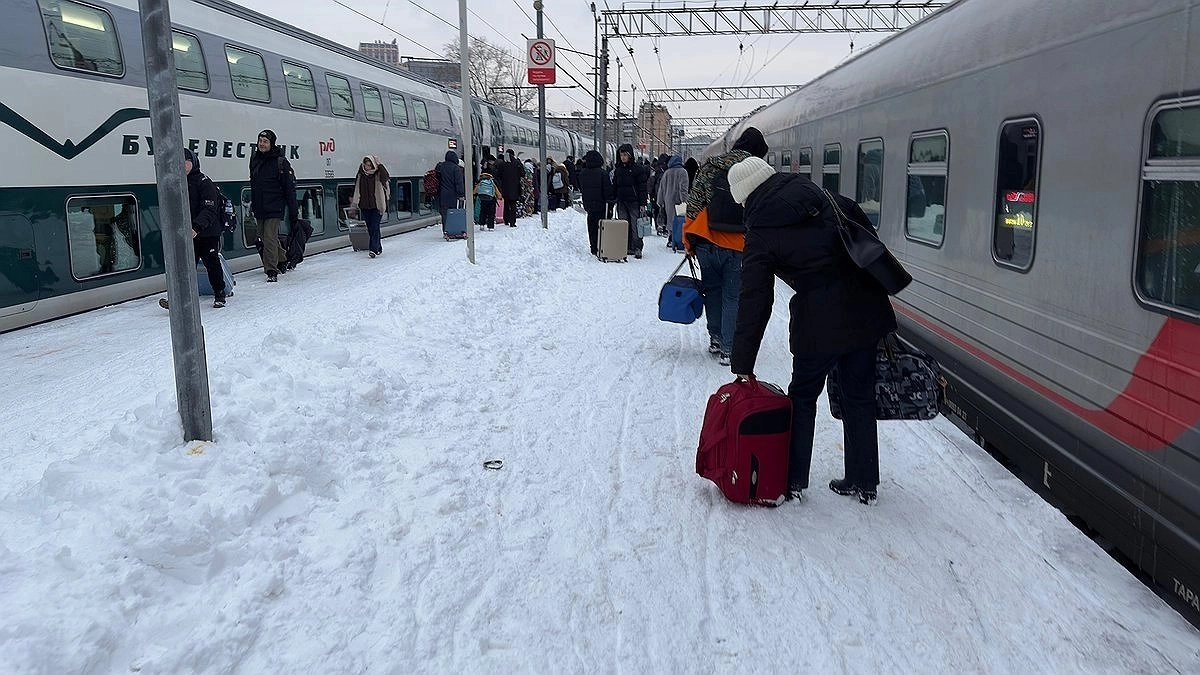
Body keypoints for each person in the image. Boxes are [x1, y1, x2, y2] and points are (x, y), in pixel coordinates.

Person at [725, 155, 897, 505]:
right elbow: (867, 241)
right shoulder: (824, 196)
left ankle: (793, 482)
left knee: (803, 397)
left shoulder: (761, 230)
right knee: (859, 395)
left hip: (819, 320)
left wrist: (743, 361)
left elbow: (755, 299)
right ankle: (864, 483)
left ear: (746, 196)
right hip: (865, 307)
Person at [683, 126, 769, 365]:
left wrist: (689, 240)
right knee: (733, 297)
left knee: (712, 291)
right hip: (739, 246)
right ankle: (729, 349)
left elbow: (694, 205)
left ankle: (716, 339)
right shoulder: (758, 172)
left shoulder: (711, 166)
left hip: (707, 243)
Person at [166, 148, 228, 308]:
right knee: (185, 266)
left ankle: (219, 293)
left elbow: (209, 209)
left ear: (192, 163)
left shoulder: (204, 182)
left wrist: (196, 227)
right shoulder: (177, 183)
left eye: (186, 161)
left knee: (211, 262)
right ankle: (178, 299)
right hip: (188, 233)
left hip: (207, 232)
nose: (183, 165)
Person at [248, 129, 298, 282]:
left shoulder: (280, 162)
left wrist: (293, 211)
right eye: (260, 141)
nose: (262, 144)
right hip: (260, 205)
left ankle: (271, 270)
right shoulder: (254, 158)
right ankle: (282, 258)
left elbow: (289, 188)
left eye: (265, 142)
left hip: (275, 205)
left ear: (272, 143)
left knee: (269, 237)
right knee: (263, 236)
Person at [612, 143, 649, 259]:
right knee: (624, 226)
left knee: (635, 226)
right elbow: (615, 186)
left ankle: (637, 247)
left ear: (630, 156)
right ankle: (626, 246)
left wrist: (642, 203)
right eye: (621, 155)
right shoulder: (618, 170)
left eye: (625, 155)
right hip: (622, 202)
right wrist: (613, 198)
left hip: (634, 202)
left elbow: (642, 188)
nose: (623, 157)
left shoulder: (637, 169)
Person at [577, 149, 615, 255]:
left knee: (591, 225)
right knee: (602, 226)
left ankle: (593, 247)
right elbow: (607, 190)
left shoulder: (583, 173)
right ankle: (602, 246)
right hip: (601, 205)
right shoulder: (603, 173)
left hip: (589, 205)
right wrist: (611, 202)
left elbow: (582, 188)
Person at [350, 155, 389, 258]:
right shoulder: (360, 175)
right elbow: (357, 189)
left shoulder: (378, 174)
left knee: (375, 226)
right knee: (371, 228)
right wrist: (355, 203)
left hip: (377, 206)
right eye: (366, 165)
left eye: (370, 165)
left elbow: (386, 176)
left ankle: (373, 249)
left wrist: (379, 164)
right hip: (365, 206)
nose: (368, 167)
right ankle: (378, 247)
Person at [656, 155, 689, 238]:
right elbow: (683, 189)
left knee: (670, 219)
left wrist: (660, 201)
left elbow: (661, 188)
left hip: (668, 200)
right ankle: (678, 238)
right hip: (679, 200)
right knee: (680, 219)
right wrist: (684, 201)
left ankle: (671, 237)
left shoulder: (667, 172)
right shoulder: (683, 172)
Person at [435, 150, 465, 233]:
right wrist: (461, 194)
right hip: (453, 195)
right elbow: (459, 183)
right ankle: (454, 229)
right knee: (454, 213)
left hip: (442, 195)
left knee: (445, 214)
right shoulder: (456, 168)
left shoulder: (440, 167)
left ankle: (446, 231)